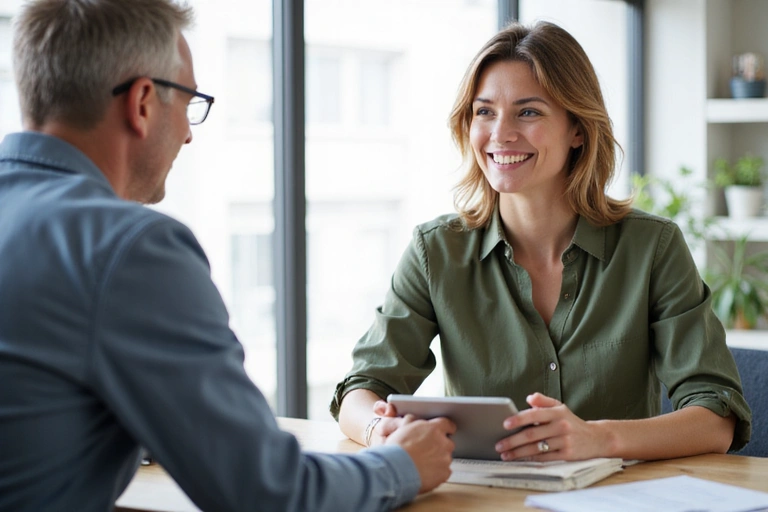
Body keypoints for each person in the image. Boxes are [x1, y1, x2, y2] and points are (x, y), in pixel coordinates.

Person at [0, 1, 457, 511]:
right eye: (189, 101)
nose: (190, 132)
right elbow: (268, 492)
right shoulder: (128, 249)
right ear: (144, 102)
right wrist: (402, 466)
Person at [331, 20, 752, 462]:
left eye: (528, 112)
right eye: (484, 111)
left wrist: (600, 439)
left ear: (577, 129)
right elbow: (361, 390)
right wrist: (381, 429)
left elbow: (716, 417)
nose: (500, 133)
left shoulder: (652, 247)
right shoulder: (435, 252)